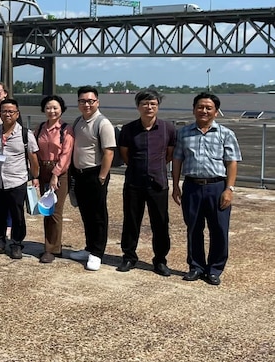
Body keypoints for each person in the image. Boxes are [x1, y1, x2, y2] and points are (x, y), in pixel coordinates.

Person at [172, 92, 241, 286]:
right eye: (200, 107)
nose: (204, 111)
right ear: (194, 109)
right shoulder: (184, 132)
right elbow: (177, 159)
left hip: (217, 186)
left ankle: (215, 269)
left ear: (216, 112)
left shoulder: (226, 133)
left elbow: (232, 163)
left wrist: (230, 189)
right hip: (192, 186)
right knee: (194, 228)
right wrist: (175, 185)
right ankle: (196, 267)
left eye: (208, 108)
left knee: (219, 229)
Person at [118, 90, 177, 275]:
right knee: (131, 221)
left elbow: (169, 154)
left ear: (158, 106)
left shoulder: (168, 129)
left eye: (153, 103)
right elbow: (125, 154)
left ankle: (160, 260)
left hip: (158, 183)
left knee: (160, 223)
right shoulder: (128, 129)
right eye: (144, 103)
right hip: (134, 182)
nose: (149, 107)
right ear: (138, 106)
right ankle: (129, 257)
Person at [0, 98, 39, 259]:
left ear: (17, 114)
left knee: (17, 215)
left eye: (11, 111)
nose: (7, 114)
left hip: (16, 180)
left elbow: (33, 158)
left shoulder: (25, 134)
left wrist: (35, 177)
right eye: (4, 111)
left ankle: (16, 244)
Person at [69, 86, 116, 271]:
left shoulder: (103, 123)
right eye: (83, 101)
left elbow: (109, 152)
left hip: (95, 174)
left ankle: (97, 253)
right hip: (79, 174)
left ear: (97, 102)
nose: (87, 104)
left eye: (90, 101)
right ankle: (89, 248)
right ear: (78, 103)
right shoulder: (78, 121)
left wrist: (102, 177)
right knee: (86, 214)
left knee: (98, 216)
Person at [34, 95, 74, 263]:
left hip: (59, 172)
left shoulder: (66, 129)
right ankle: (49, 245)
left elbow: (66, 155)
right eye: (48, 108)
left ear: (61, 110)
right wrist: (35, 175)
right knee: (46, 209)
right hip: (43, 169)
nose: (52, 111)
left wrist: (55, 174)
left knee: (55, 211)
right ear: (44, 109)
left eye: (55, 108)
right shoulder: (40, 128)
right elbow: (34, 151)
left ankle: (52, 249)